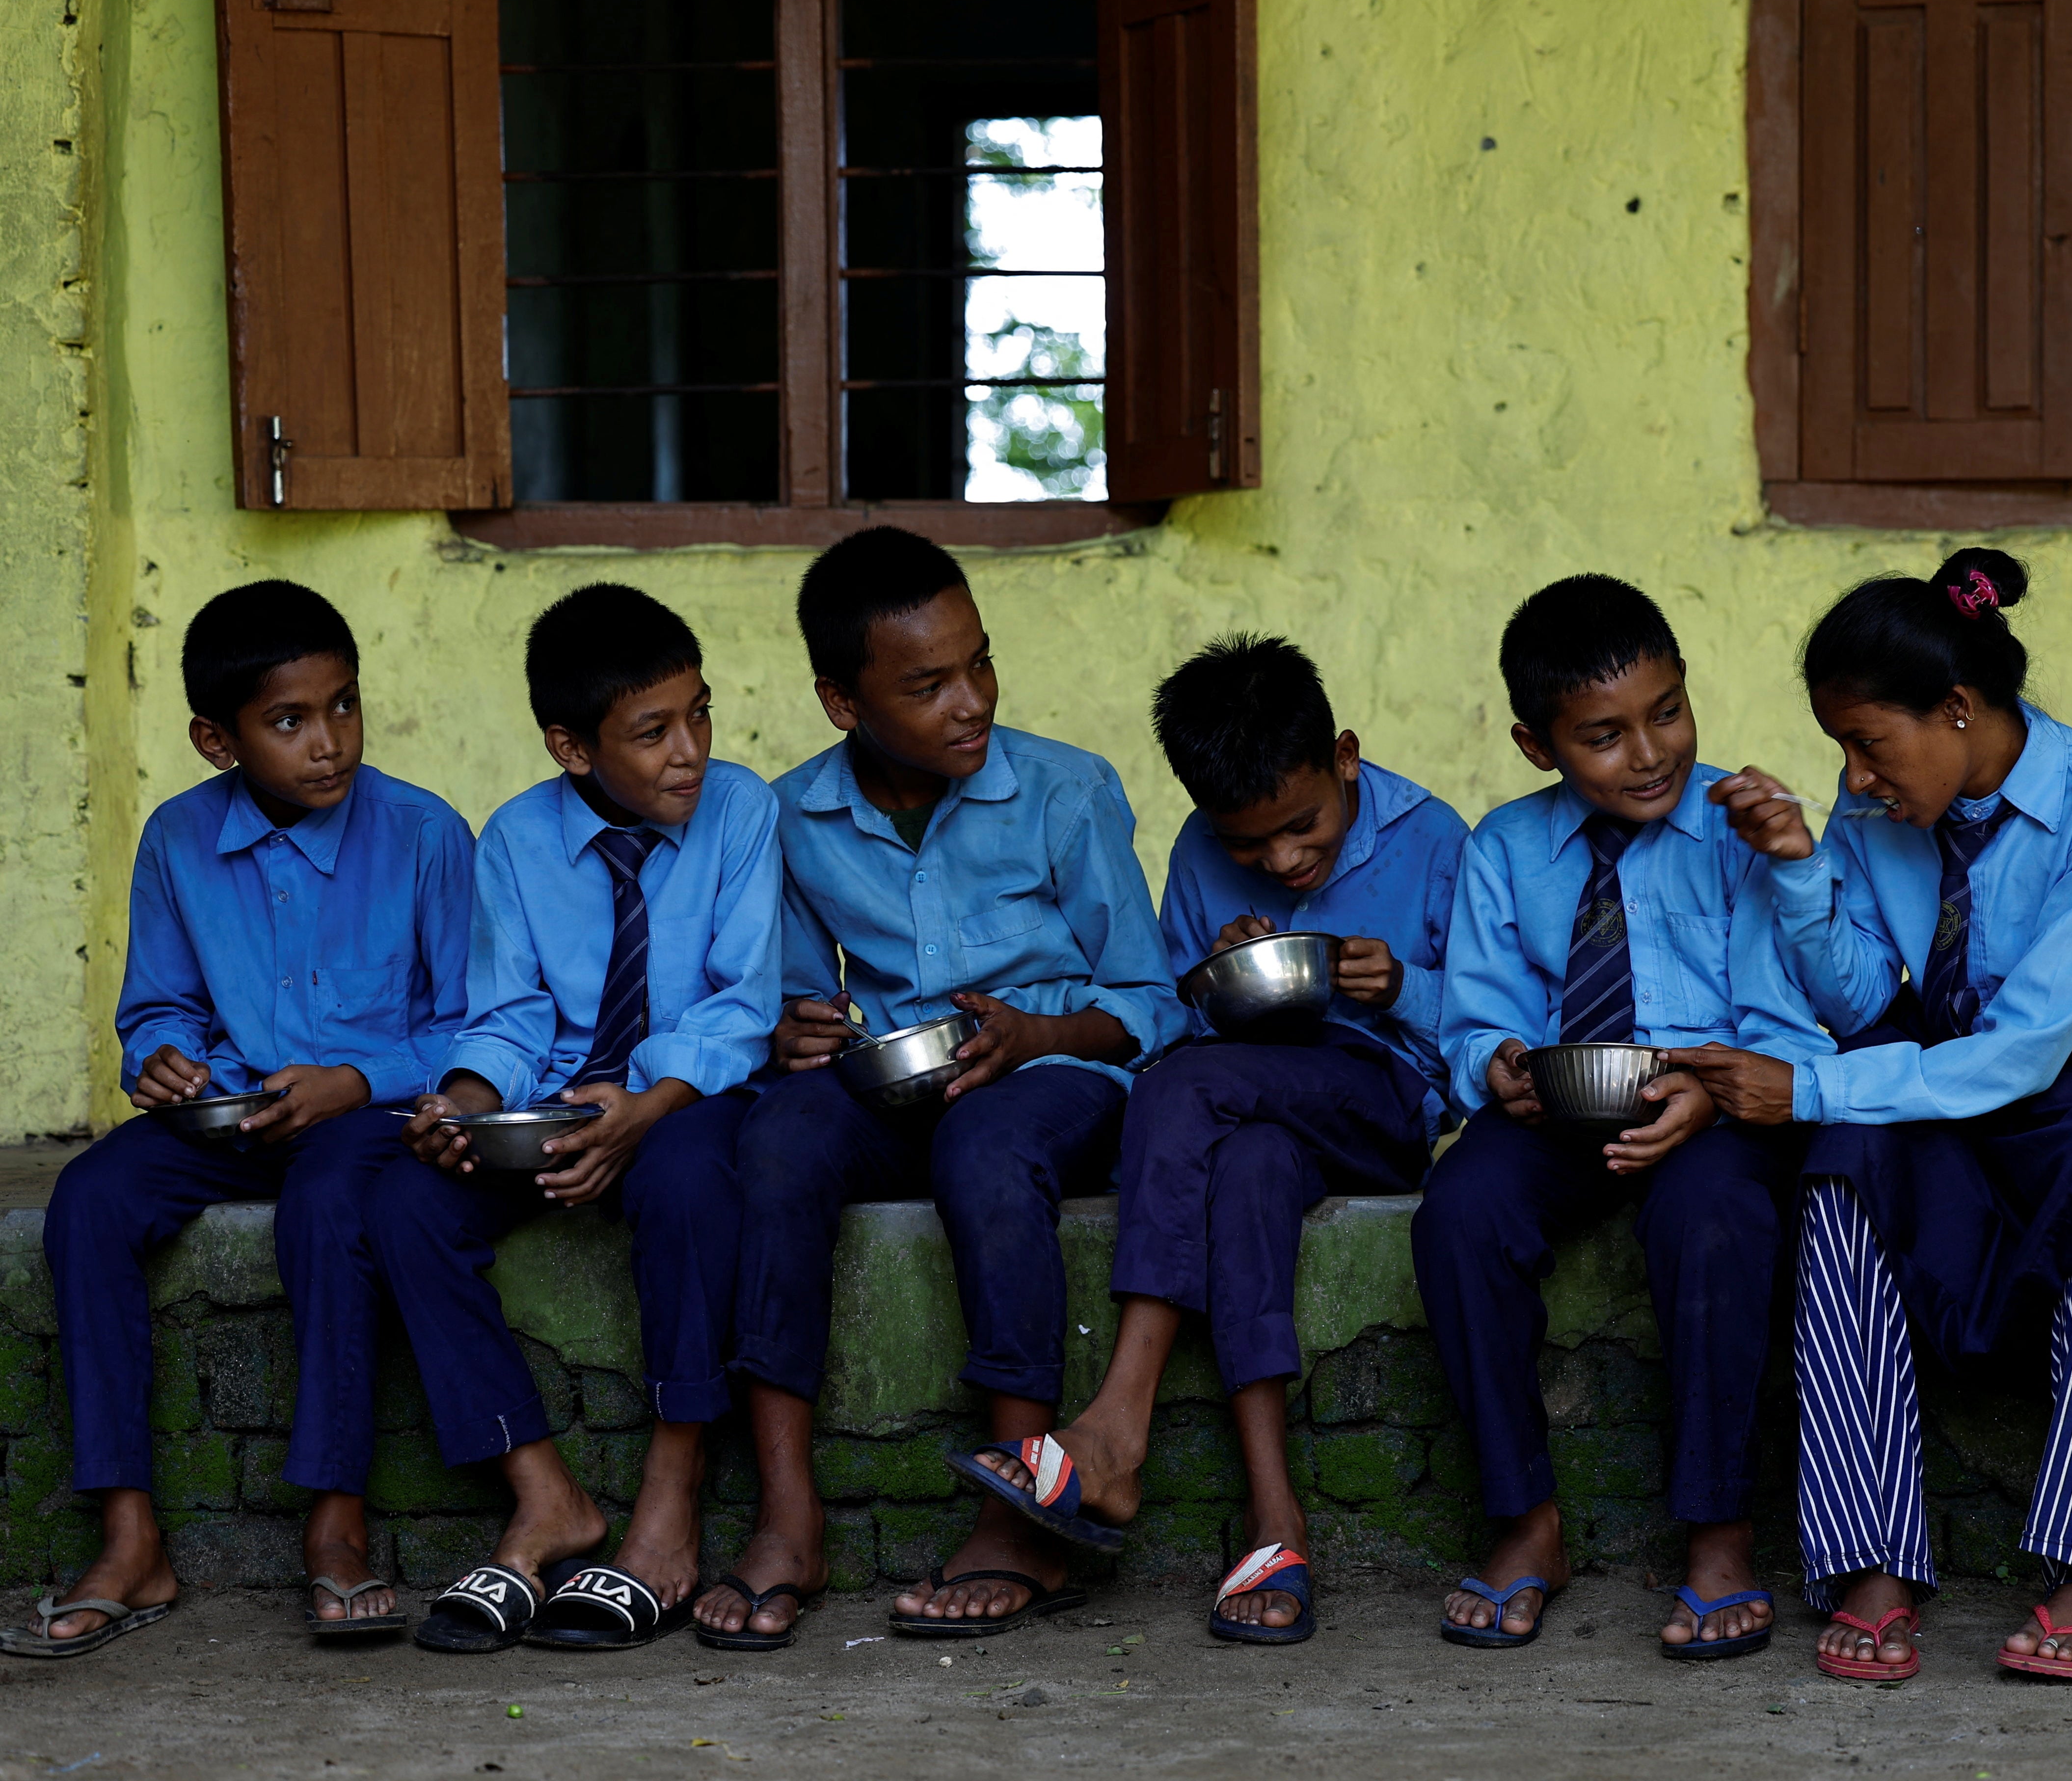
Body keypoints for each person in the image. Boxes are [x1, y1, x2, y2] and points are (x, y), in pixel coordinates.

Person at [1682, 548, 2072, 1685]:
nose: (1854, 773)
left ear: (1956, 707)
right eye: (1840, 747)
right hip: (1936, 1072)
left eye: (1869, 743)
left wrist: (1809, 1088)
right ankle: (1873, 1559)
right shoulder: (1874, 799)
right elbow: (1860, 1000)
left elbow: (2030, 1045)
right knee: (1839, 1171)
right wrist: (1800, 869)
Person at [714, 528, 1185, 1649]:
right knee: (777, 1139)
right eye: (927, 685)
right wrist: (795, 1028)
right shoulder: (792, 818)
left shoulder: (1067, 792)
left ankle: (1020, 1504)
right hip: (891, 1077)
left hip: (1058, 1074)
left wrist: (1035, 1034)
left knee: (986, 1146)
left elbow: (1148, 1003)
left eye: (979, 663)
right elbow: (790, 1004)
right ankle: (788, 1511)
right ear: (843, 701)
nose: (969, 701)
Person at [953, 634, 1468, 1645]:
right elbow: (1183, 1015)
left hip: (1383, 1097)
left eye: (1303, 825)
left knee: (1185, 1088)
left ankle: (1115, 1421)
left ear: (1348, 757)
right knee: (1247, 1172)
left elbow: (1493, 1034)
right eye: (1250, 846)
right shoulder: (1197, 851)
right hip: (1262, 1110)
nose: (1281, 860)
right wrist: (1218, 979)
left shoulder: (1434, 837)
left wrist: (1403, 984)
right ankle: (1276, 1520)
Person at [7, 582, 472, 1658]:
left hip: (372, 1117)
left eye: (345, 706)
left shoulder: (424, 833)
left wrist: (356, 1081)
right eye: (290, 721)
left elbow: (469, 1026)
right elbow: (160, 1005)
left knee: (326, 1207)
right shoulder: (178, 841)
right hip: (232, 1120)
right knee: (89, 1199)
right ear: (217, 740)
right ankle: (131, 1538)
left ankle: (336, 1520)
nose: (330, 742)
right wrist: (161, 1061)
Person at [1416, 575, 1827, 1659]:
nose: (1651, 752)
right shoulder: (1505, 848)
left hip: (1713, 1108)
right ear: (1537, 744)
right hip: (1561, 1108)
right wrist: (1497, 1065)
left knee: (1716, 1220)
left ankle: (1718, 1531)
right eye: (1604, 735)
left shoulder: (1745, 829)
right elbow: (1474, 1020)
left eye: (1669, 711)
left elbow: (1787, 1019)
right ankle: (1527, 1519)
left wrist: (1710, 1092)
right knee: (1459, 1211)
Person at [376, 585, 781, 1655]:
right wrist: (462, 1101)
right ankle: (545, 1491)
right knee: (404, 1197)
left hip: (687, 1097)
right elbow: (508, 1013)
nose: (689, 751)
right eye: (652, 732)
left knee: (691, 1180)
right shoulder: (514, 839)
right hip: (556, 1103)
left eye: (701, 714)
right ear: (571, 747)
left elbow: (746, 1002)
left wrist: (643, 1109)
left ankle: (670, 1494)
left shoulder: (743, 812)